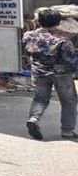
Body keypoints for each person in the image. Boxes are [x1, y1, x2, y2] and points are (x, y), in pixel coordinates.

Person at [22, 9, 78, 141]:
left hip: (39, 72)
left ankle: (34, 119)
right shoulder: (62, 40)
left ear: (39, 21)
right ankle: (67, 131)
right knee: (69, 101)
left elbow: (27, 52)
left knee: (40, 99)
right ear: (58, 23)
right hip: (61, 74)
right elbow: (70, 59)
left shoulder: (28, 36)